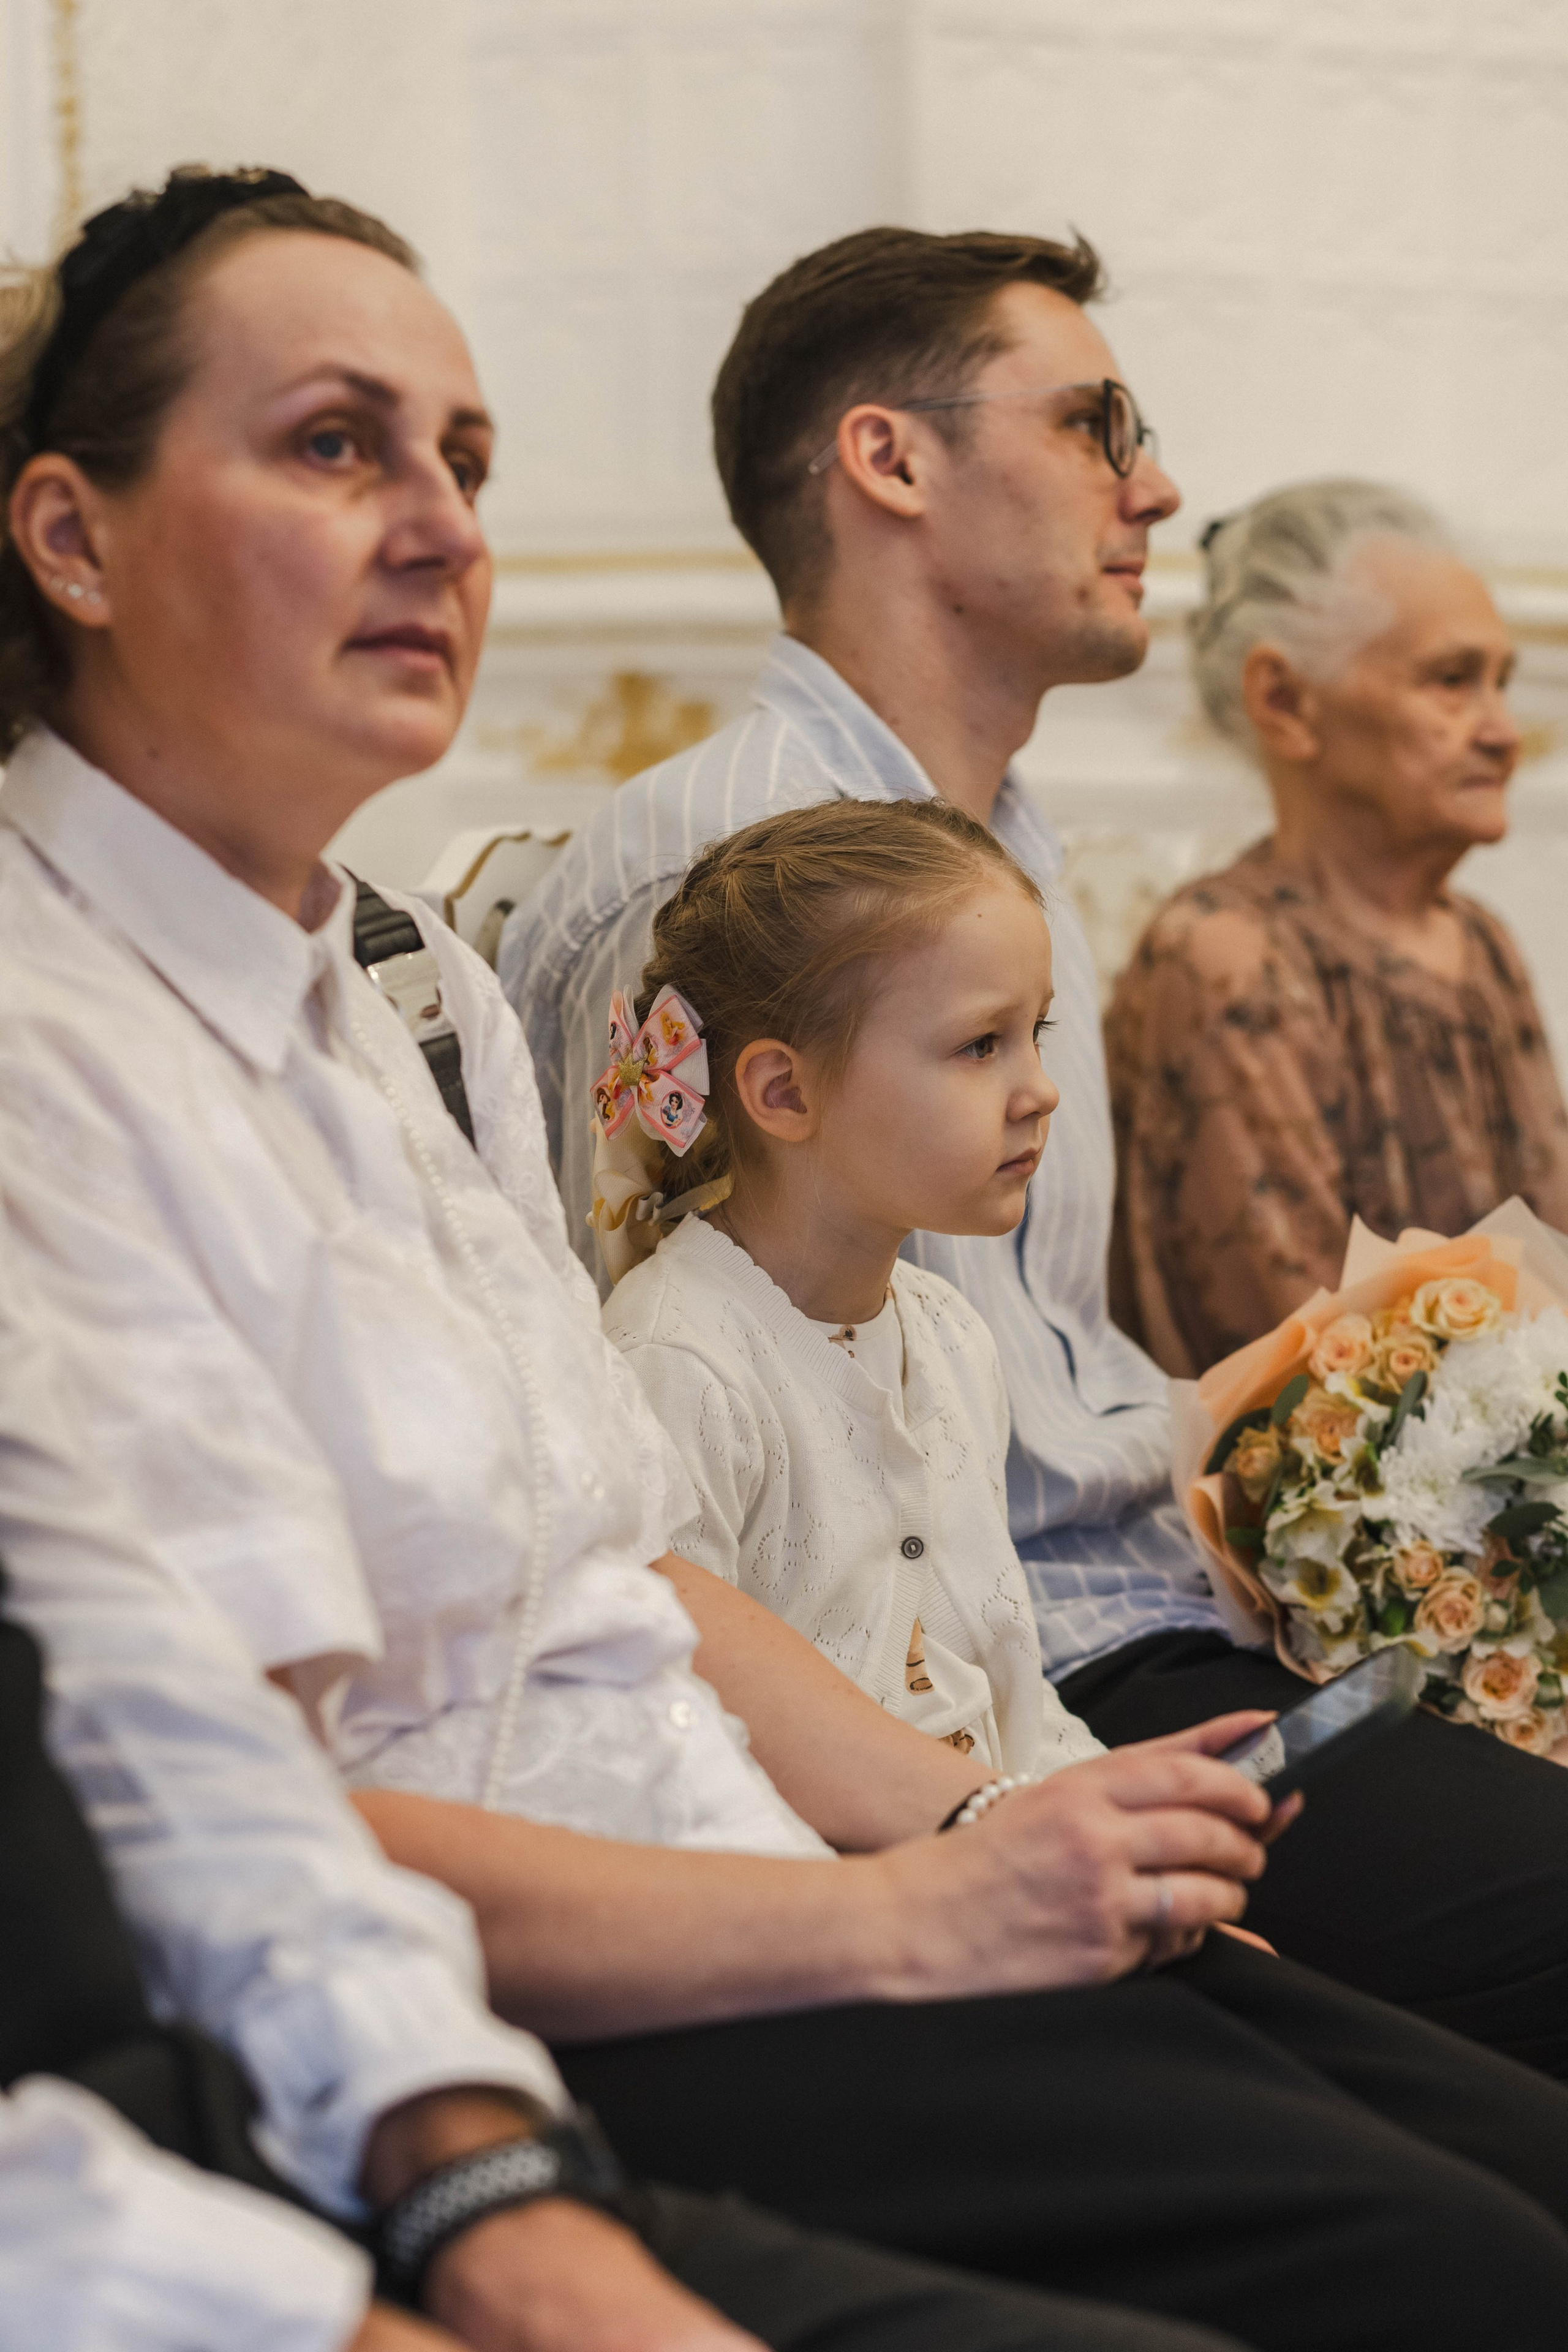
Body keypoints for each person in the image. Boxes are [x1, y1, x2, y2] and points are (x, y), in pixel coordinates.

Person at [15, 168, 1568, 2352]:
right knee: (1463, 2270)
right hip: (576, 1975)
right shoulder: (69, 1049)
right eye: (338, 445)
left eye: (468, 459)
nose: (451, 525)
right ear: (71, 538)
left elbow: (632, 1574)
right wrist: (910, 1912)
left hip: (798, 1810)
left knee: (1503, 2191)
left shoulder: (400, 997)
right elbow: (228, 1824)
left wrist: (994, 1824)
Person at [501, 229, 1568, 2074]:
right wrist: (979, 1813)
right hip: (953, 1701)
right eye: (1094, 424)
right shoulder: (756, 866)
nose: (1155, 485)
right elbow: (666, 1469)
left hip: (1120, 1637)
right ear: (890, 463)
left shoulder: (997, 854)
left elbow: (1044, 1395)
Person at [599, 796, 1102, 1781]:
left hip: (1001, 1847)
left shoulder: (950, 1334)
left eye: (1034, 1032)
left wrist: (1121, 1818)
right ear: (784, 1093)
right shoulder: (679, 1362)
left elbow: (1003, 1688)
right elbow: (684, 1739)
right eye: (980, 1045)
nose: (1039, 1088)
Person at [1106, 476, 1568, 1378]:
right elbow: (1309, 1381)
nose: (1504, 733)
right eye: (1451, 680)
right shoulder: (1223, 958)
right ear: (1285, 701)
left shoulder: (1480, 941)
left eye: (1501, 684)